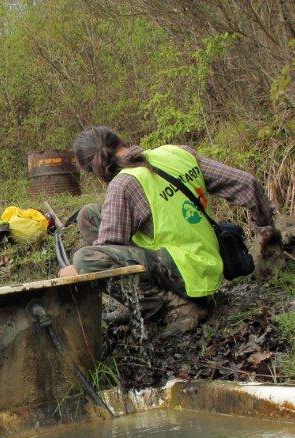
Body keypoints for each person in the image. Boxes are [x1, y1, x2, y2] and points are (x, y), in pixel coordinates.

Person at [59, 126, 277, 333]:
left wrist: (78, 271)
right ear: (120, 140)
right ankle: (155, 299)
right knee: (88, 214)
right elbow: (247, 183)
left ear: (95, 170)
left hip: (187, 275)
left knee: (86, 260)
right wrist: (267, 233)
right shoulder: (176, 153)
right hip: (209, 258)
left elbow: (107, 254)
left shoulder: (123, 185)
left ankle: (173, 306)